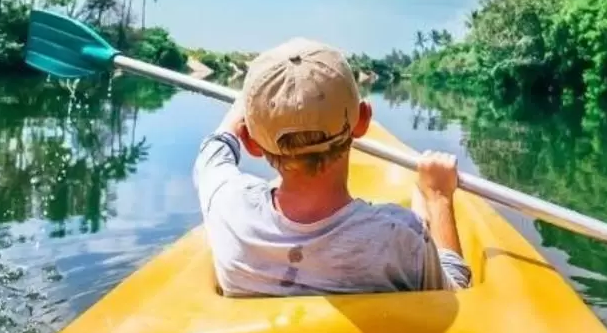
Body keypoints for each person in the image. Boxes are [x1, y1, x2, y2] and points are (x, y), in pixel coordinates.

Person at [192, 37, 472, 297]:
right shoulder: (397, 239)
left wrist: (252, 100)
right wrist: (438, 197)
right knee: (422, 197)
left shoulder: (227, 204)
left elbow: (215, 150)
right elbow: (457, 293)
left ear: (251, 143)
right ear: (363, 121)